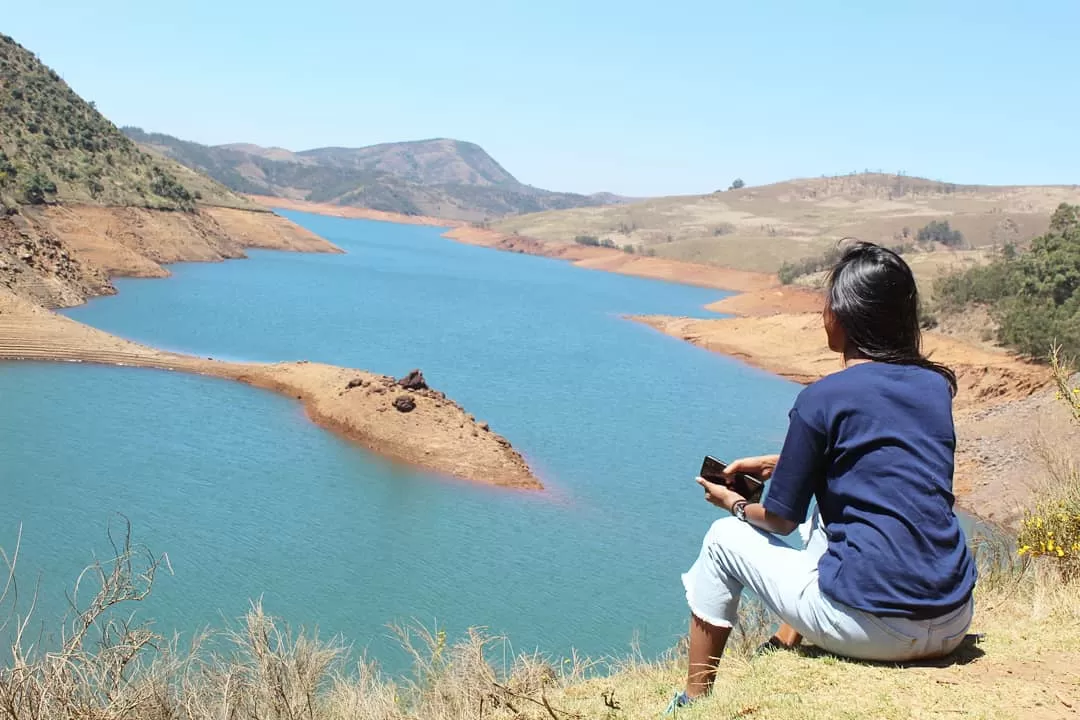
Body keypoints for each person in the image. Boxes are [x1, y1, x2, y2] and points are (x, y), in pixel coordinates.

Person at [667, 241, 977, 712]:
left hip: (875, 630)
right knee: (826, 520)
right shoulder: (935, 386)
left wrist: (731, 502)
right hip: (953, 618)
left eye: (828, 303)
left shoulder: (823, 396)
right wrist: (782, 463)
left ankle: (692, 701)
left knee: (722, 539)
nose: (823, 314)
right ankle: (785, 641)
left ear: (846, 316)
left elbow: (778, 520)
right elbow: (884, 466)